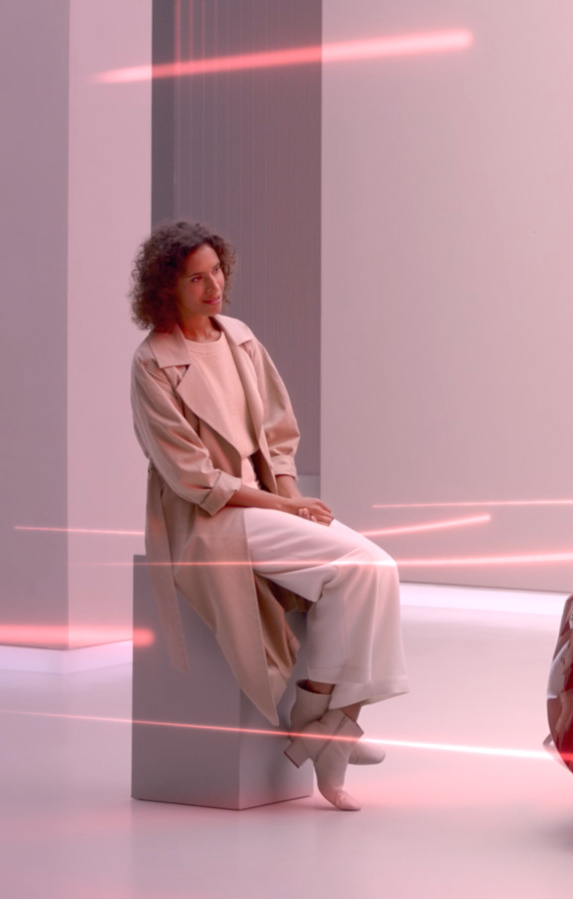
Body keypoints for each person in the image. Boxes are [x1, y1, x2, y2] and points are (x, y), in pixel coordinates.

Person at [127, 220, 407, 811]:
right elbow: (193, 478)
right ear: (166, 288)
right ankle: (328, 729)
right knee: (359, 566)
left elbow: (278, 436)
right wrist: (286, 503)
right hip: (208, 516)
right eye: (196, 279)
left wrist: (291, 495)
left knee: (374, 568)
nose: (212, 288)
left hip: (266, 501)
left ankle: (325, 718)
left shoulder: (241, 339)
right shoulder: (154, 362)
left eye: (217, 272)